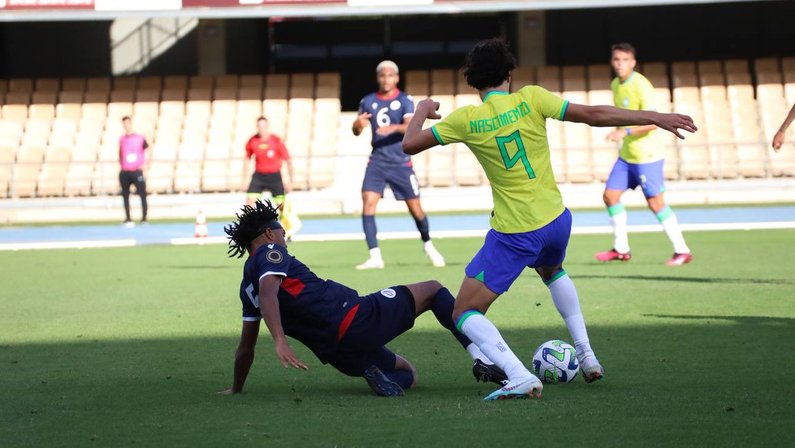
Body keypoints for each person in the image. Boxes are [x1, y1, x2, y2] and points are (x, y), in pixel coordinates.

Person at [403, 38, 696, 400]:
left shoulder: (465, 119)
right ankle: (586, 355)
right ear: (509, 75)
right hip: (557, 220)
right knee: (552, 270)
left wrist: (422, 108)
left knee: (464, 310)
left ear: (474, 82)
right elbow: (594, 116)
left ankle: (518, 374)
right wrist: (655, 115)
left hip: (516, 231)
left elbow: (409, 144)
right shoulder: (532, 98)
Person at [219, 200, 507, 397]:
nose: (285, 236)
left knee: (409, 374)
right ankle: (480, 357)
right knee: (433, 289)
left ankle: (380, 379)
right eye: (281, 230)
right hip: (355, 318)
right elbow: (270, 291)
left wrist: (237, 388)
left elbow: (245, 348)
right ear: (269, 233)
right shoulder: (273, 253)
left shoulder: (246, 287)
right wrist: (279, 339)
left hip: (339, 354)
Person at [595, 43, 693, 266]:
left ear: (633, 62)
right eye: (616, 60)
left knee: (655, 202)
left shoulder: (641, 85)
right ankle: (621, 248)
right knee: (610, 196)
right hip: (627, 156)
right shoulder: (615, 84)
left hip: (647, 156)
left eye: (625, 60)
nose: (620, 64)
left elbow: (654, 122)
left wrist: (625, 132)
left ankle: (682, 250)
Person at [352, 60, 445, 270]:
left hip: (401, 162)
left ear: (397, 78)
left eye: (390, 75)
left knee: (416, 209)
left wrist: (393, 127)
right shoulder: (367, 101)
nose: (386, 79)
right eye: (383, 76)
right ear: (378, 78)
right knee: (368, 203)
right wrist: (356, 125)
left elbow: (412, 127)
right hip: (377, 161)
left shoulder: (405, 99)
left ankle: (428, 244)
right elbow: (357, 130)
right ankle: (375, 256)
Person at [242, 116, 300, 237]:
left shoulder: (276, 141)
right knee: (249, 203)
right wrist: (244, 179)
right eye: (259, 126)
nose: (261, 129)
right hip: (259, 176)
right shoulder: (252, 141)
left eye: (264, 126)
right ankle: (249, 231)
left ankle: (287, 231)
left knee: (282, 205)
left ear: (267, 127)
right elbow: (247, 158)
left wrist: (290, 180)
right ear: (257, 127)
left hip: (274, 176)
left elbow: (288, 160)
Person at [119, 116, 149, 226]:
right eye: (124, 123)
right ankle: (128, 218)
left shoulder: (140, 138)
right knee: (125, 195)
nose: (126, 125)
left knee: (142, 194)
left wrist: (145, 164)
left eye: (128, 123)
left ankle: (144, 218)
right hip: (125, 171)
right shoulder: (122, 139)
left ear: (131, 123)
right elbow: (120, 154)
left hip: (137, 170)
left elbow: (147, 150)